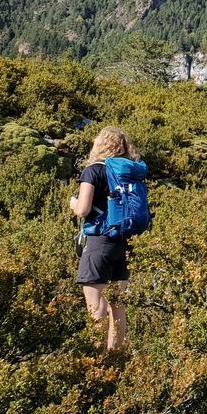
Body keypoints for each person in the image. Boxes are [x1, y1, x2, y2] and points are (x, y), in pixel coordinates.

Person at [70, 126, 140, 350]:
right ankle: (115, 359)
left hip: (100, 242)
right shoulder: (128, 174)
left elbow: (83, 210)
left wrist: (72, 202)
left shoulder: (93, 171)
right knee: (118, 305)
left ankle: (96, 362)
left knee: (96, 304)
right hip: (125, 243)